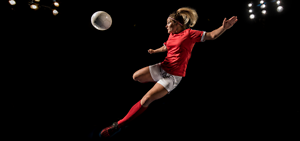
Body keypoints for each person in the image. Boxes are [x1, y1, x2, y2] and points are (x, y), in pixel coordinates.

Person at [100, 7, 238, 138]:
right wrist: (155, 51)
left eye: (168, 24)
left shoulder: (189, 34)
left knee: (147, 99)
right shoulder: (172, 34)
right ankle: (158, 86)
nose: (166, 26)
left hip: (173, 76)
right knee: (136, 76)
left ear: (177, 24)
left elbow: (212, 35)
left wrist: (224, 28)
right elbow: (166, 46)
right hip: (163, 67)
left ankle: (118, 125)